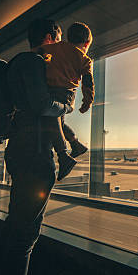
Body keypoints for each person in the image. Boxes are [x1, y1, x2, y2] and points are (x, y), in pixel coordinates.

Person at [0, 19, 82, 275]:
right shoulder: (35, 63)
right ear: (51, 37)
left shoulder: (18, 64)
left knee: (14, 227)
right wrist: (66, 106)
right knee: (25, 234)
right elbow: (43, 106)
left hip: (19, 150)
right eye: (60, 38)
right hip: (35, 154)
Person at [38, 21, 94, 175]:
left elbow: (41, 54)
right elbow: (88, 82)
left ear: (68, 37)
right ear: (87, 43)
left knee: (52, 119)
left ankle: (64, 155)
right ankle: (75, 146)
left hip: (53, 90)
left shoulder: (55, 48)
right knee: (58, 122)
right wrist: (87, 102)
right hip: (68, 94)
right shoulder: (84, 59)